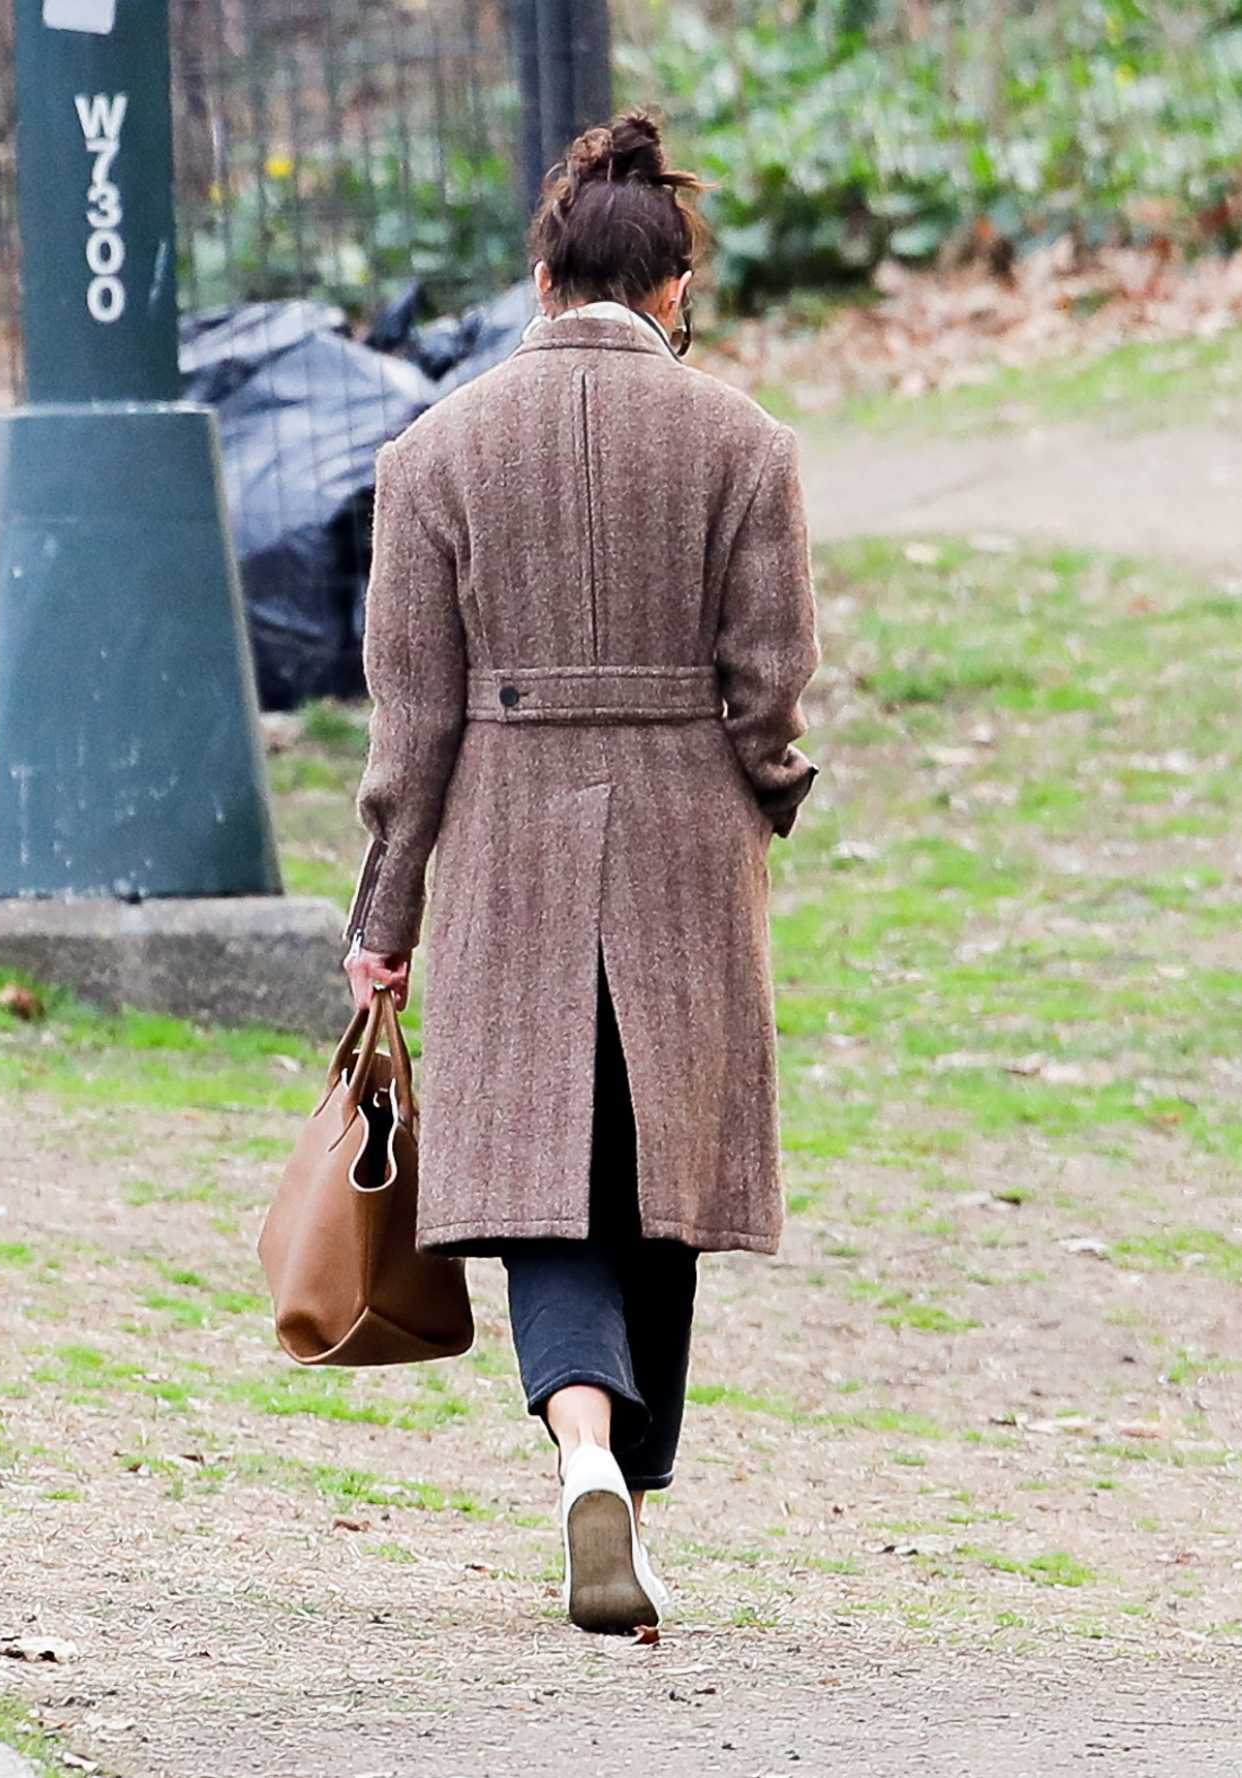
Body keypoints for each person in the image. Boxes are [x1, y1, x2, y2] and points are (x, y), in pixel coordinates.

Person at [343, 108, 819, 1634]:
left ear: (541, 282)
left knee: (542, 1185)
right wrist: (771, 788)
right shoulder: (745, 443)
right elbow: (770, 682)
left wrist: (383, 919)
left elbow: (407, 722)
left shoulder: (434, 453)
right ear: (672, 291)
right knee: (654, 1174)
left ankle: (582, 1460)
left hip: (506, 849)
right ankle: (628, 1473)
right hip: (683, 840)